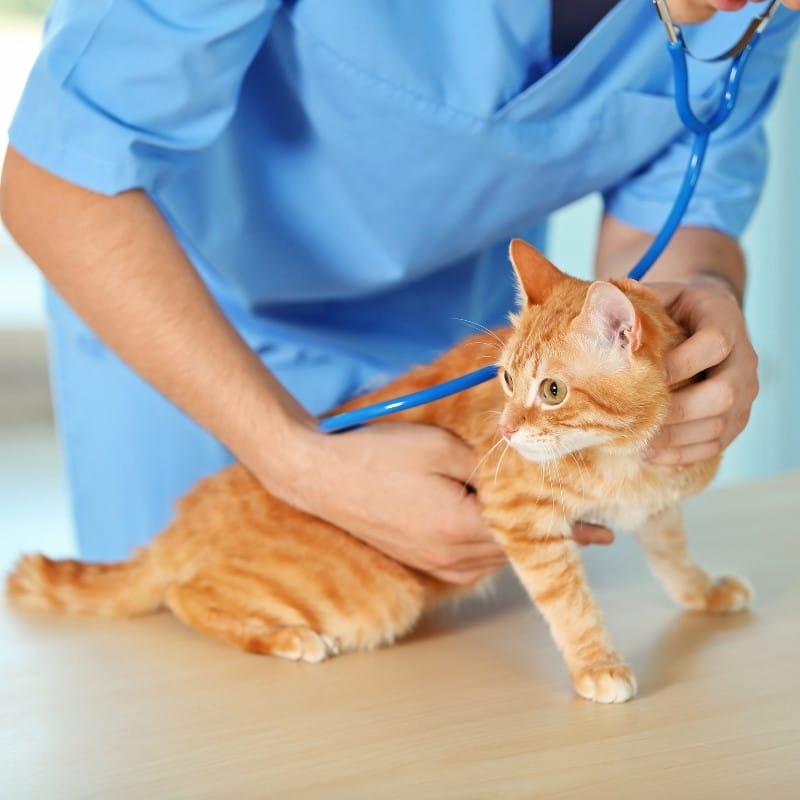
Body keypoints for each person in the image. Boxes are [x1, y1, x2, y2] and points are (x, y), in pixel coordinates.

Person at [1, 0, 798, 581]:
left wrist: (693, 302)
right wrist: (298, 462)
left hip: (455, 362)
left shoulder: (754, 11)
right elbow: (56, 175)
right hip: (184, 328)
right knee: (184, 675)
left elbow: (676, 208)